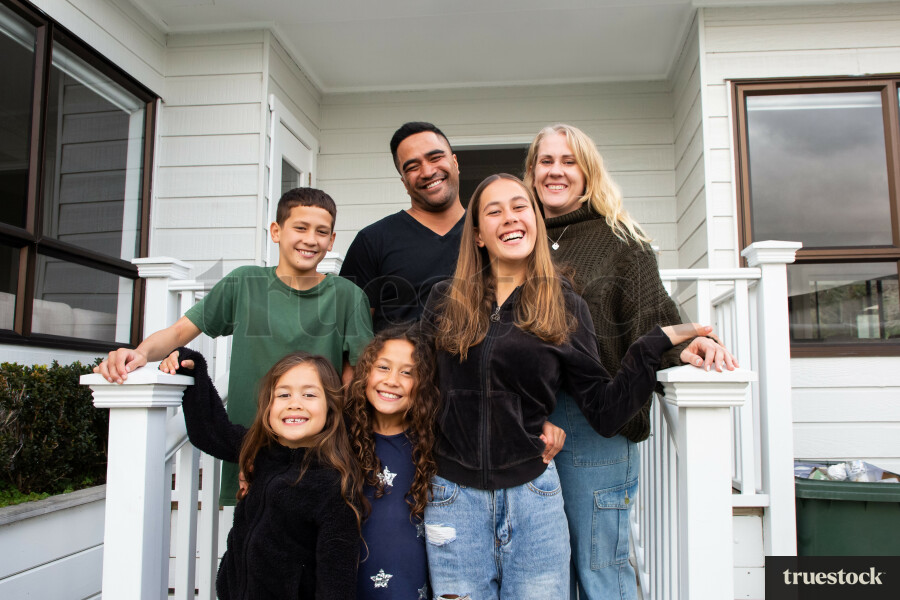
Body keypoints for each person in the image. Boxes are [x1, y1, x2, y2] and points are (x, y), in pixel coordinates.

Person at [420, 173, 713, 599]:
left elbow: (605, 410)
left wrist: (654, 345)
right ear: (479, 234)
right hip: (453, 498)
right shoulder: (444, 299)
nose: (509, 218)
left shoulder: (564, 304)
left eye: (520, 206)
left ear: (536, 222)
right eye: (494, 211)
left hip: (533, 499)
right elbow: (421, 388)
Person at [523, 123, 736, 599]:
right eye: (546, 161)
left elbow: (651, 317)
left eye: (568, 161)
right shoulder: (517, 236)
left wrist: (687, 348)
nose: (556, 171)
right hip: (522, 416)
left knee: (600, 565)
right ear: (532, 171)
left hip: (594, 422)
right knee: (538, 569)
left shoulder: (622, 241)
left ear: (587, 172)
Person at [94, 187, 373, 504]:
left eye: (321, 232)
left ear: (332, 241)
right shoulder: (244, 283)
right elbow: (179, 332)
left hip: (319, 450)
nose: (311, 239)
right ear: (276, 231)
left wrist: (338, 439)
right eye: (301, 227)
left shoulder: (348, 296)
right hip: (251, 444)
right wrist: (141, 353)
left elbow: (358, 376)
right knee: (253, 538)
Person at [174, 347, 363, 600]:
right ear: (268, 407)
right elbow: (209, 431)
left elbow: (336, 583)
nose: (294, 404)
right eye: (283, 395)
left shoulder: (334, 486)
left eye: (309, 394)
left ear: (330, 409)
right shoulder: (259, 452)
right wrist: (193, 365)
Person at [340, 122, 466, 332]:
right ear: (404, 182)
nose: (427, 171)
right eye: (412, 167)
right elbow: (351, 337)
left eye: (435, 158)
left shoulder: (488, 233)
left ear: (455, 162)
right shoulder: (373, 241)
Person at [344, 324, 440, 599]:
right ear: (366, 372)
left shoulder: (433, 444)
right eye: (383, 367)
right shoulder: (339, 439)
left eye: (407, 373)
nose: (392, 380)